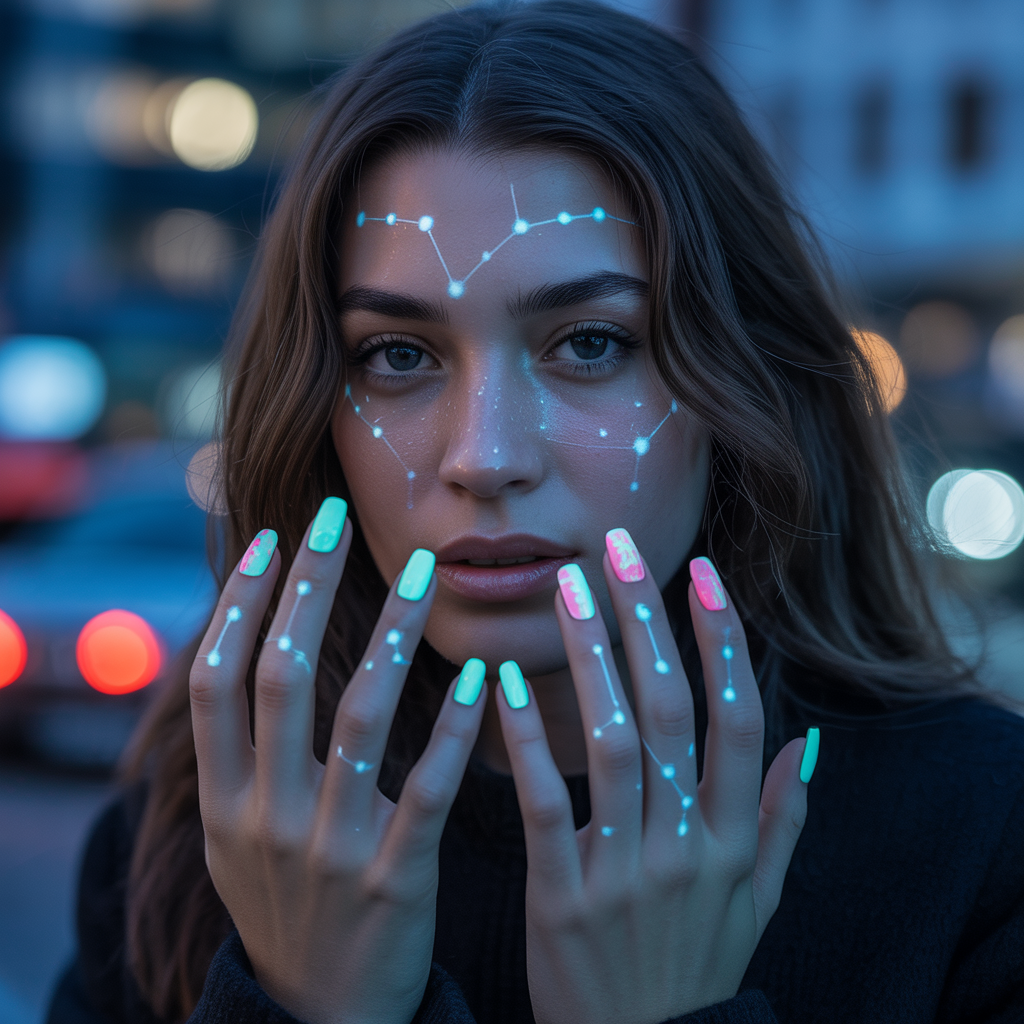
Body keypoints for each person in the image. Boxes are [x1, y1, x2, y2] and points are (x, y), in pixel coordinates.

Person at [47, 2, 1024, 1022]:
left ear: (746, 376)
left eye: (590, 342)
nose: (486, 456)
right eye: (398, 355)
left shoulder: (979, 839)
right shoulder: (199, 835)